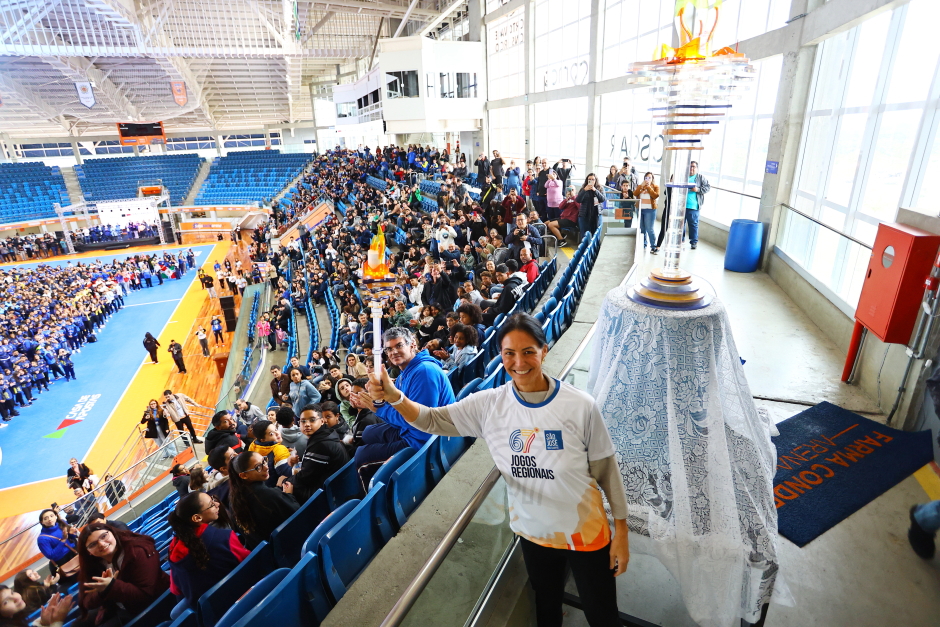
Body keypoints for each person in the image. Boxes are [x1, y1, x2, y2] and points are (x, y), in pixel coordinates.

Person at [363, 313, 629, 627]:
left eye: (528, 351)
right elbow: (430, 419)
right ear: (500, 356)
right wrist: (394, 396)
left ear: (543, 351)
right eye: (509, 353)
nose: (519, 362)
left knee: (602, 615)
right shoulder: (489, 405)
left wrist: (621, 532)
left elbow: (606, 470)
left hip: (586, 533)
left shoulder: (580, 406)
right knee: (546, 607)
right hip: (534, 534)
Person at [353, 327, 455, 468]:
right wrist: (376, 402)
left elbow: (419, 421)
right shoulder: (404, 374)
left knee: (361, 456)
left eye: (399, 345)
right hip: (411, 430)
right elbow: (399, 409)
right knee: (367, 433)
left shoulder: (424, 372)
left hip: (426, 440)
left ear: (412, 344)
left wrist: (378, 408)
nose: (393, 352)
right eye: (389, 349)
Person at [77, 523, 170, 625]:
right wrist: (101, 592)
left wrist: (111, 586)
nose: (101, 544)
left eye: (104, 536)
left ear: (112, 533)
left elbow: (145, 595)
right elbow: (87, 602)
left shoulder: (137, 551)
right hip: (118, 605)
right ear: (88, 552)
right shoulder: (92, 565)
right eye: (93, 544)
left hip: (153, 606)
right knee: (80, 624)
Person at [167, 492, 250, 606]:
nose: (217, 504)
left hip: (212, 611)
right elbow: (250, 563)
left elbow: (176, 589)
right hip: (244, 595)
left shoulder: (173, 550)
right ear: (197, 518)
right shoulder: (225, 537)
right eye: (211, 504)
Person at [227, 451, 299, 549]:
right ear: (244, 476)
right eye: (258, 467)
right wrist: (289, 495)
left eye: (264, 461)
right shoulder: (267, 495)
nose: (266, 467)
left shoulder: (234, 500)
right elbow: (296, 512)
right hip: (288, 546)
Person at [286, 404, 349, 503]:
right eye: (303, 421)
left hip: (331, 494)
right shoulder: (327, 435)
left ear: (322, 421)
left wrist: (287, 481)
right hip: (338, 486)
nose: (307, 424)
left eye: (312, 420)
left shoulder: (320, 445)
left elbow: (304, 478)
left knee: (285, 488)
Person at [36, 510, 79, 586]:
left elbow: (71, 538)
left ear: (56, 516)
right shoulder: (42, 539)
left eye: (51, 516)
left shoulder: (62, 523)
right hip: (63, 562)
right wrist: (62, 541)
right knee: (74, 584)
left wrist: (72, 533)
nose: (49, 519)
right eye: (45, 518)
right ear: (42, 522)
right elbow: (51, 555)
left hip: (75, 554)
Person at [0, 588, 72, 627]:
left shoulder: (15, 620)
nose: (16, 598)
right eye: (5, 602)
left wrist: (43, 623)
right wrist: (58, 621)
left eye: (12, 592)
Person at [684, 160, 710, 250]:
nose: (691, 168)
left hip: (693, 207)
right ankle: (681, 240)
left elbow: (707, 188)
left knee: (693, 225)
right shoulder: (684, 176)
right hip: (682, 206)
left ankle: (693, 242)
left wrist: (697, 189)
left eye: (693, 167)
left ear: (697, 168)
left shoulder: (700, 178)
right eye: (690, 166)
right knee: (681, 224)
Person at [634, 172, 660, 253]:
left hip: (650, 210)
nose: (647, 179)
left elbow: (655, 195)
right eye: (646, 177)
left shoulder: (655, 187)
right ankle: (643, 244)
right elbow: (635, 193)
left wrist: (649, 188)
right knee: (642, 228)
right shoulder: (641, 186)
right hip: (640, 209)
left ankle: (653, 246)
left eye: (649, 178)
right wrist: (641, 186)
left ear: (652, 179)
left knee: (649, 228)